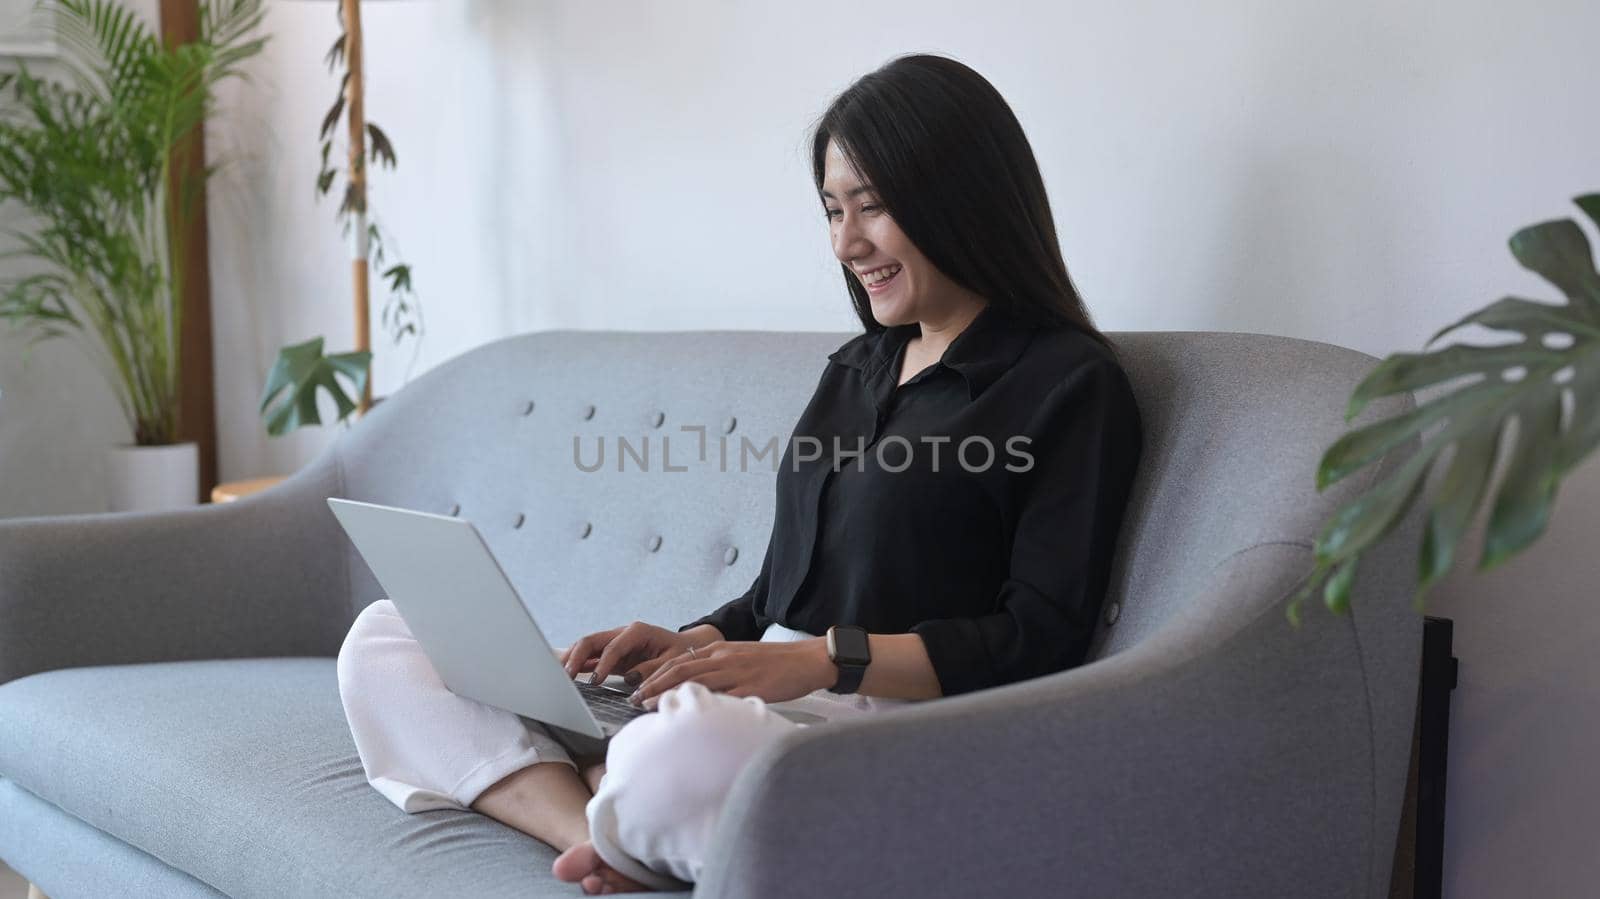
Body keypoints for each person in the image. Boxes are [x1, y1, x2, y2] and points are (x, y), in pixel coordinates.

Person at [336, 52, 1145, 895]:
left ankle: (619, 798)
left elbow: (1039, 641)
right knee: (388, 640)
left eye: (871, 207)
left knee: (676, 747)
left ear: (959, 197)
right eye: (833, 210)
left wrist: (824, 662)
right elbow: (776, 597)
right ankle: (595, 828)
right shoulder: (859, 368)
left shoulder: (1068, 386)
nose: (846, 242)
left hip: (885, 730)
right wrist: (693, 641)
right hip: (760, 700)